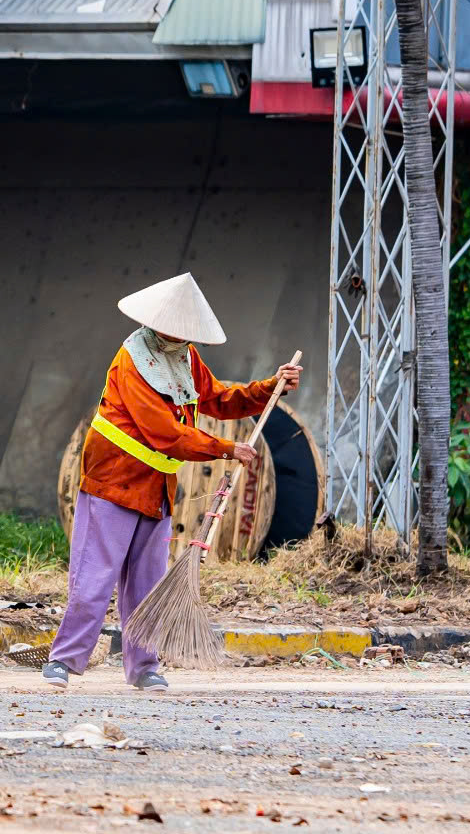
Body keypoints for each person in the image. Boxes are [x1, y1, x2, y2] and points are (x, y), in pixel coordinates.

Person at [47, 272, 300, 692]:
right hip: (113, 481)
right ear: (157, 321)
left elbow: (218, 399)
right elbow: (163, 431)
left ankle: (144, 667)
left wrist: (271, 387)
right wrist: (225, 449)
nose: (181, 336)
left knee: (147, 584)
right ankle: (65, 660)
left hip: (156, 488)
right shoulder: (131, 359)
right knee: (94, 579)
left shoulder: (185, 357)